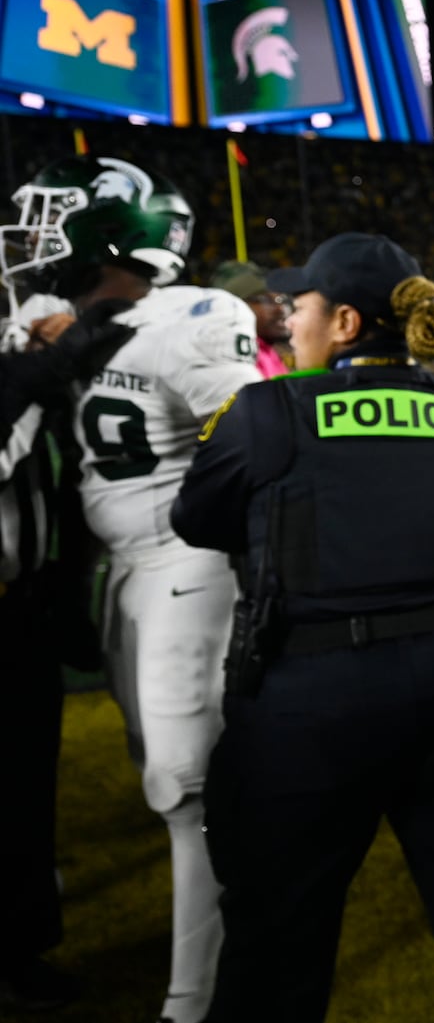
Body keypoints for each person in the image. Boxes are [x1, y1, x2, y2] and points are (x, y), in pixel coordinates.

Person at [170, 232, 434, 1023]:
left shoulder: (266, 410)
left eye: (299, 307)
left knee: (278, 939)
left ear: (344, 321)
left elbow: (198, 518)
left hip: (311, 701)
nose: (287, 323)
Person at [2, 155, 261, 1023]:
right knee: (165, 778)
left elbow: (255, 442)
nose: (33, 242)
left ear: (107, 228)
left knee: (189, 789)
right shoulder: (65, 324)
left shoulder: (195, 313)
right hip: (124, 572)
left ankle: (194, 1001)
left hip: (183, 564)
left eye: (52, 219)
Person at [0, 300, 135, 1012]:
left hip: (22, 608)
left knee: (27, 793)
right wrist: (44, 362)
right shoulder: (20, 381)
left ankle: (20, 952)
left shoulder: (36, 392)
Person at [208, 259, 292, 378]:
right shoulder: (229, 358)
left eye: (281, 299)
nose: (281, 308)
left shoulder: (267, 352)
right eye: (264, 300)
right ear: (232, 306)